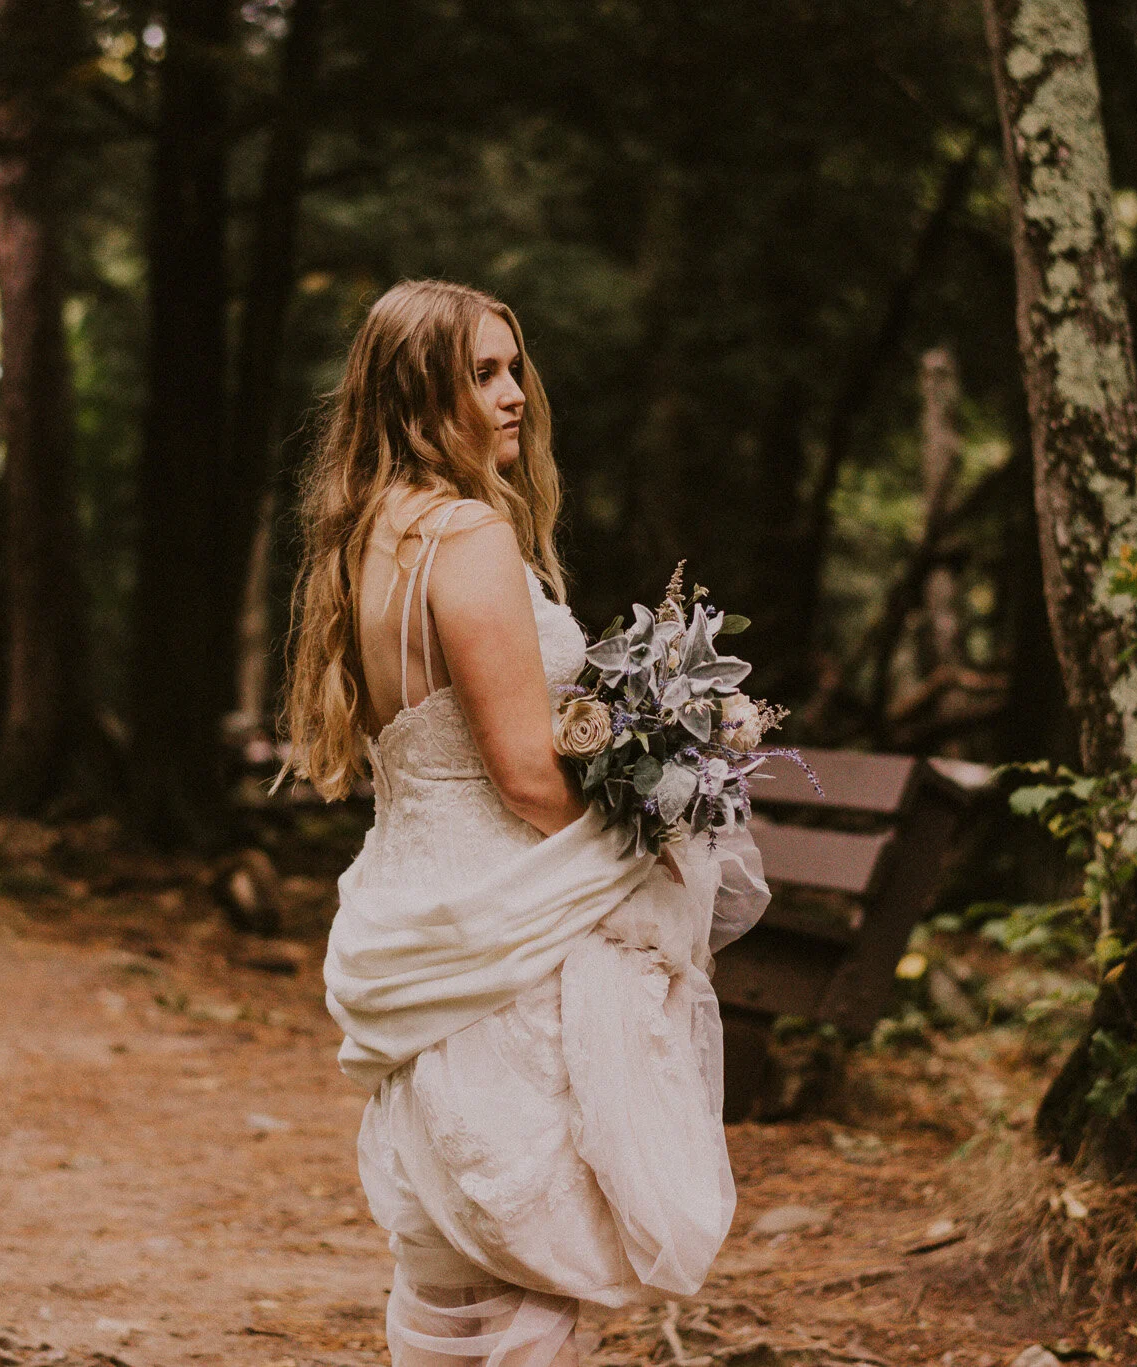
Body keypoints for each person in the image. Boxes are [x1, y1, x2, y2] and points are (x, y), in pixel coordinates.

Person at [282, 279, 767, 1367]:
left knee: (455, 1252)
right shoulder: (465, 538)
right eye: (483, 375)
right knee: (532, 1241)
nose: (513, 396)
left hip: (419, 897)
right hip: (504, 921)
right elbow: (525, 776)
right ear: (416, 398)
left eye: (513, 368)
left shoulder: (375, 533)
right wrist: (662, 816)